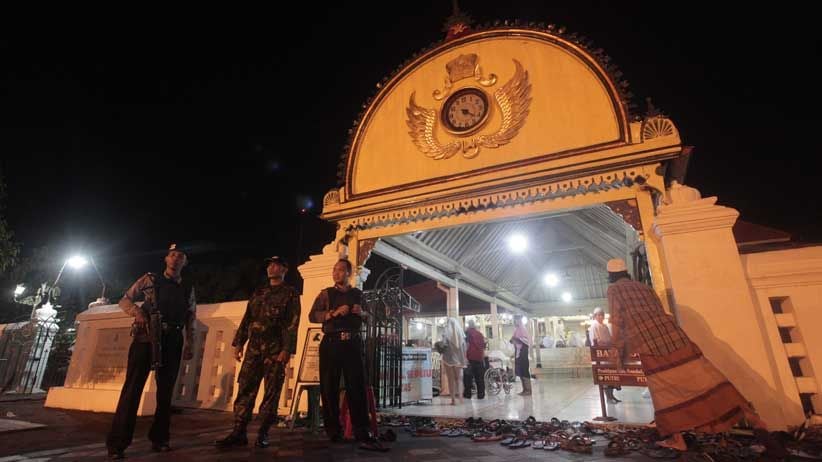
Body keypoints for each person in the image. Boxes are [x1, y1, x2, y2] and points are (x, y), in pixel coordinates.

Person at [606, 258, 785, 456]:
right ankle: (754, 419)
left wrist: (617, 348)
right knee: (707, 379)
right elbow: (658, 310)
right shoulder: (644, 287)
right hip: (675, 337)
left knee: (663, 393)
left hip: (650, 346)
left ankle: (677, 439)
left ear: (611, 276)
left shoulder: (614, 290)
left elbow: (616, 320)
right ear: (626, 272)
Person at [106, 244, 196, 460]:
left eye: (180, 257)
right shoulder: (150, 279)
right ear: (166, 259)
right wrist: (137, 312)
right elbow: (125, 299)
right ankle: (117, 444)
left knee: (165, 394)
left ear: (185, 262)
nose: (175, 259)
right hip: (146, 337)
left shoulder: (187, 287)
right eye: (172, 255)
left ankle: (160, 439)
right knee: (132, 389)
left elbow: (191, 315)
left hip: (173, 339)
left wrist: (190, 342)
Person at [215, 256, 300, 449]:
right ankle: (238, 432)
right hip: (253, 349)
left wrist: (287, 349)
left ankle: (263, 433)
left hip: (275, 350)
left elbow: (292, 324)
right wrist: (239, 343)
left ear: (284, 269)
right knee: (245, 389)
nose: (271, 268)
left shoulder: (290, 293)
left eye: (276, 265)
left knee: (271, 392)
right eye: (269, 265)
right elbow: (247, 319)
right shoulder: (259, 291)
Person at [308, 259, 388, 452]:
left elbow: (374, 318)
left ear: (349, 273)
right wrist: (333, 313)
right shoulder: (326, 294)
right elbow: (312, 315)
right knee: (329, 387)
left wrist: (363, 313)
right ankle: (333, 431)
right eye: (334, 270)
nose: (336, 273)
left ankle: (362, 431)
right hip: (331, 343)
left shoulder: (359, 295)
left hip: (353, 343)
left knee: (357, 387)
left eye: (341, 270)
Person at [589, 307, 621, 403]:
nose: (600, 316)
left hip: (609, 354)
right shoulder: (594, 326)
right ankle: (608, 398)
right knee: (605, 376)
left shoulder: (605, 326)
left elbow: (610, 339)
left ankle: (612, 395)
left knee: (611, 376)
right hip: (601, 355)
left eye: (601, 314)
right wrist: (606, 344)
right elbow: (596, 341)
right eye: (598, 315)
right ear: (595, 316)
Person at [439, 317, 467, 405]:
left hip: (448, 360)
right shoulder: (461, 334)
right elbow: (464, 349)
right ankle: (461, 398)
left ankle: (453, 399)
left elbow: (442, 345)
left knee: (450, 380)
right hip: (459, 360)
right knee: (459, 379)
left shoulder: (446, 333)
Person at [463, 319, 486, 399]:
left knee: (468, 377)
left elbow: (466, 345)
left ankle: (467, 394)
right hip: (479, 358)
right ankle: (481, 394)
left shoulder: (467, 333)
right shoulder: (480, 334)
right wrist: (482, 356)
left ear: (468, 325)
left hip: (470, 358)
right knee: (479, 377)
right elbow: (483, 346)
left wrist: (464, 357)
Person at [510, 319, 532, 396]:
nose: (515, 322)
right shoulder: (517, 330)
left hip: (523, 354)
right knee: (521, 372)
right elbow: (513, 340)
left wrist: (516, 339)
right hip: (518, 354)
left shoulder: (523, 330)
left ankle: (528, 390)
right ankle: (524, 389)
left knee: (525, 372)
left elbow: (525, 341)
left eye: (516, 320)